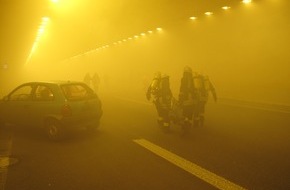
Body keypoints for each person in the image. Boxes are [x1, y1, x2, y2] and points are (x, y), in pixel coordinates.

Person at [178, 66, 196, 135]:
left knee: (185, 115)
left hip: (186, 100)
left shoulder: (183, 79)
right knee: (190, 116)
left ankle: (184, 129)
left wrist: (180, 99)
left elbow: (182, 89)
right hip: (193, 100)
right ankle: (188, 128)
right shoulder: (193, 79)